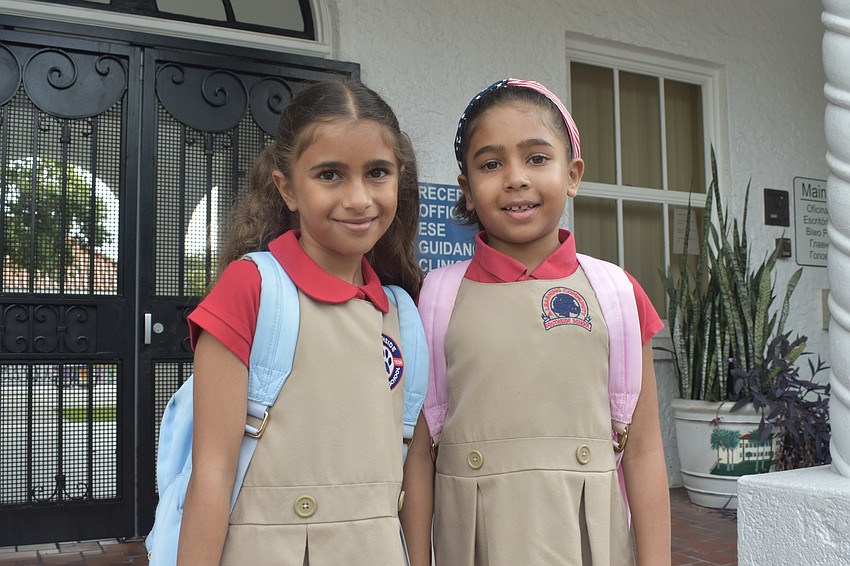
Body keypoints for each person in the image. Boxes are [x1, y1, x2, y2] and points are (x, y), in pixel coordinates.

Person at [177, 79, 433, 566]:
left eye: (377, 173)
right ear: (287, 188)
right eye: (330, 175)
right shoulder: (251, 288)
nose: (359, 198)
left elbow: (414, 467)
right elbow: (211, 471)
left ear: (399, 178)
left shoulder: (404, 315)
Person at [417, 78, 671, 565]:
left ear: (573, 174)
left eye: (537, 158)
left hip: (587, 544)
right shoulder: (434, 299)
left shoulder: (616, 294)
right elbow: (421, 452)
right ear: (467, 190)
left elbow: (642, 452)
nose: (515, 178)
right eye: (491, 164)